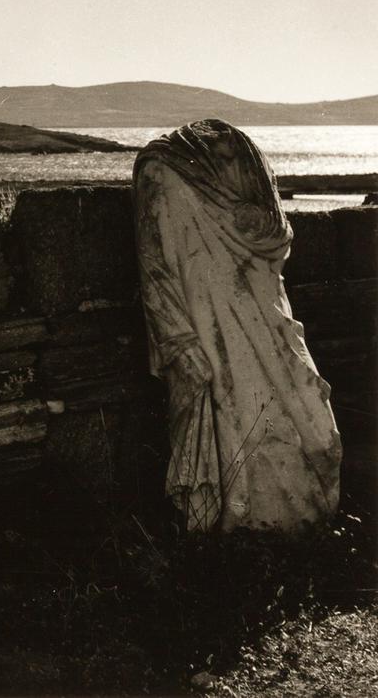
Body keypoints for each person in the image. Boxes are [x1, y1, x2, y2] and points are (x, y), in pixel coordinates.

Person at [133, 119, 341, 532]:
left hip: (263, 310)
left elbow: (277, 237)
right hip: (203, 318)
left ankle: (289, 529)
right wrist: (178, 338)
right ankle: (247, 532)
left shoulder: (246, 156)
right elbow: (154, 267)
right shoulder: (161, 168)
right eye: (222, 158)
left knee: (316, 432)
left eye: (230, 157)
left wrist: (248, 220)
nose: (227, 161)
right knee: (235, 421)